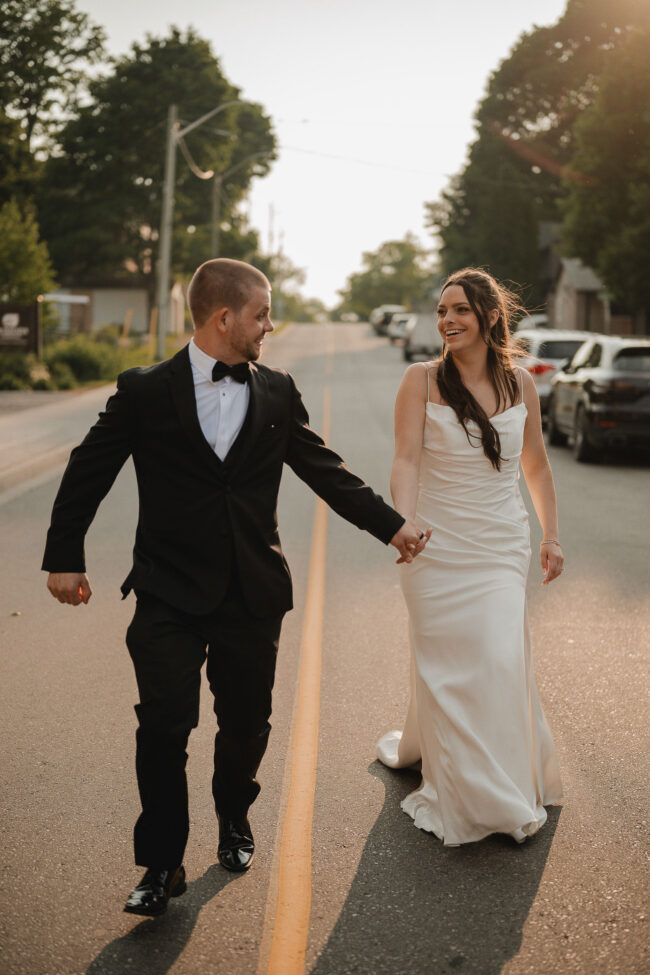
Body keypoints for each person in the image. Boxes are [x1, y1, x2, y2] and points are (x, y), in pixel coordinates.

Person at [43, 258, 429, 916]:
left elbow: (324, 469)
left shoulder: (276, 391)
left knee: (245, 723)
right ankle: (161, 863)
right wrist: (64, 557)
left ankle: (234, 813)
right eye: (261, 314)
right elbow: (89, 468)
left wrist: (392, 526)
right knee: (164, 726)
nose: (270, 325)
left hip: (251, 590)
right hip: (166, 590)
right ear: (225, 318)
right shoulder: (144, 390)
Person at [377, 267, 564, 845]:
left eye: (458, 310)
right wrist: (403, 521)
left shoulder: (521, 384)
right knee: (447, 668)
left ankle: (499, 779)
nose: (447, 321)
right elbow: (406, 459)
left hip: (499, 545)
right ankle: (465, 782)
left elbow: (534, 465)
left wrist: (550, 535)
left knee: (495, 657)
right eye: (441, 312)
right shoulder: (422, 380)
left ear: (488, 316)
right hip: (435, 546)